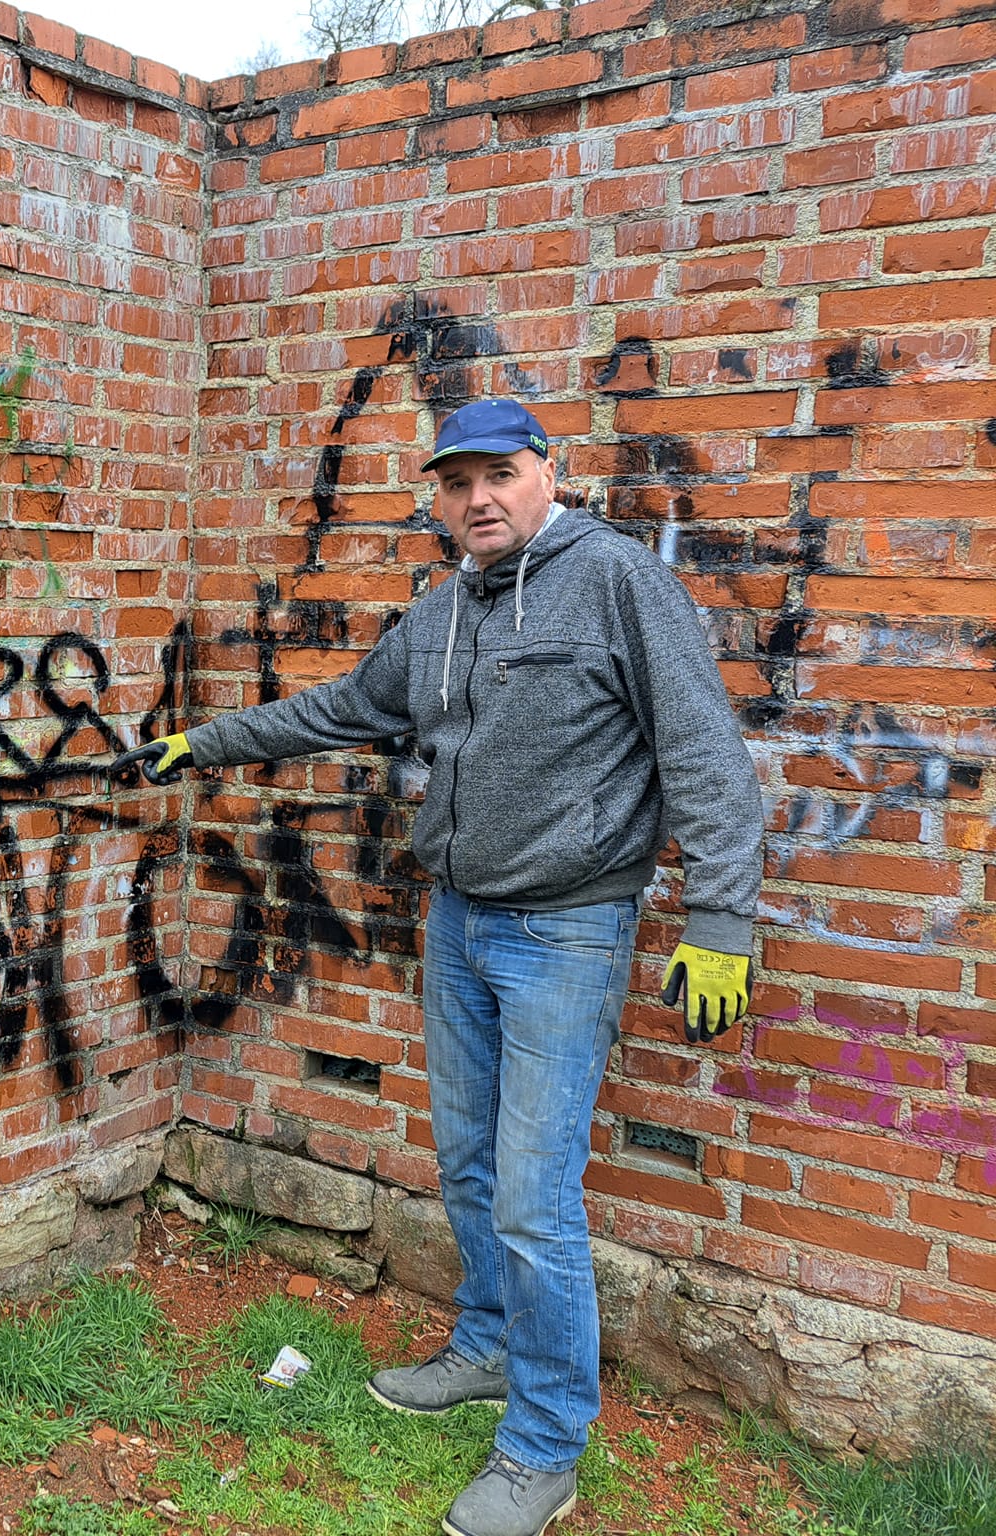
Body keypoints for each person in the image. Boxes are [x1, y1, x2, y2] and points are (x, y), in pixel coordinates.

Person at [112, 398, 763, 1536]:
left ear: (546, 472)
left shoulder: (615, 581)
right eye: (456, 483)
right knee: (465, 1162)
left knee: (532, 1196)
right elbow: (348, 708)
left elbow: (702, 750)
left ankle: (543, 1447)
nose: (478, 499)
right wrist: (205, 742)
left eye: (498, 474)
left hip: (568, 929)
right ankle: (488, 1344)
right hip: (458, 922)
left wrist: (721, 922)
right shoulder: (444, 610)